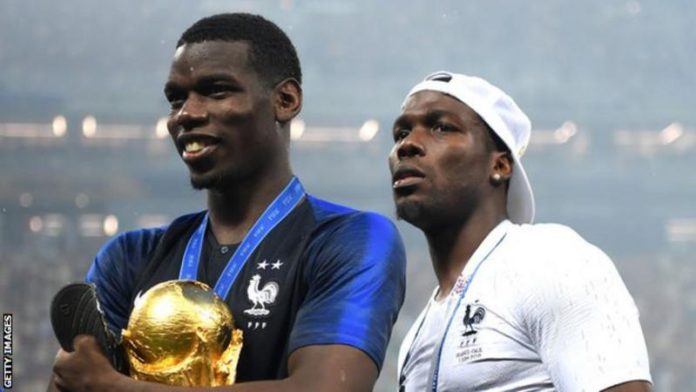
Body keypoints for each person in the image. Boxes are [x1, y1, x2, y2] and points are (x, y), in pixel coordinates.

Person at [50, 13, 406, 392]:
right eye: (176, 99)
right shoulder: (128, 258)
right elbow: (73, 380)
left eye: (216, 91)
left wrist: (114, 387)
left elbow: (327, 388)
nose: (187, 113)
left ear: (285, 101)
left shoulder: (348, 240)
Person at [390, 71, 652, 391]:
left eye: (441, 127)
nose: (408, 145)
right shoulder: (418, 332)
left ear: (500, 165)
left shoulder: (550, 260)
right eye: (401, 133)